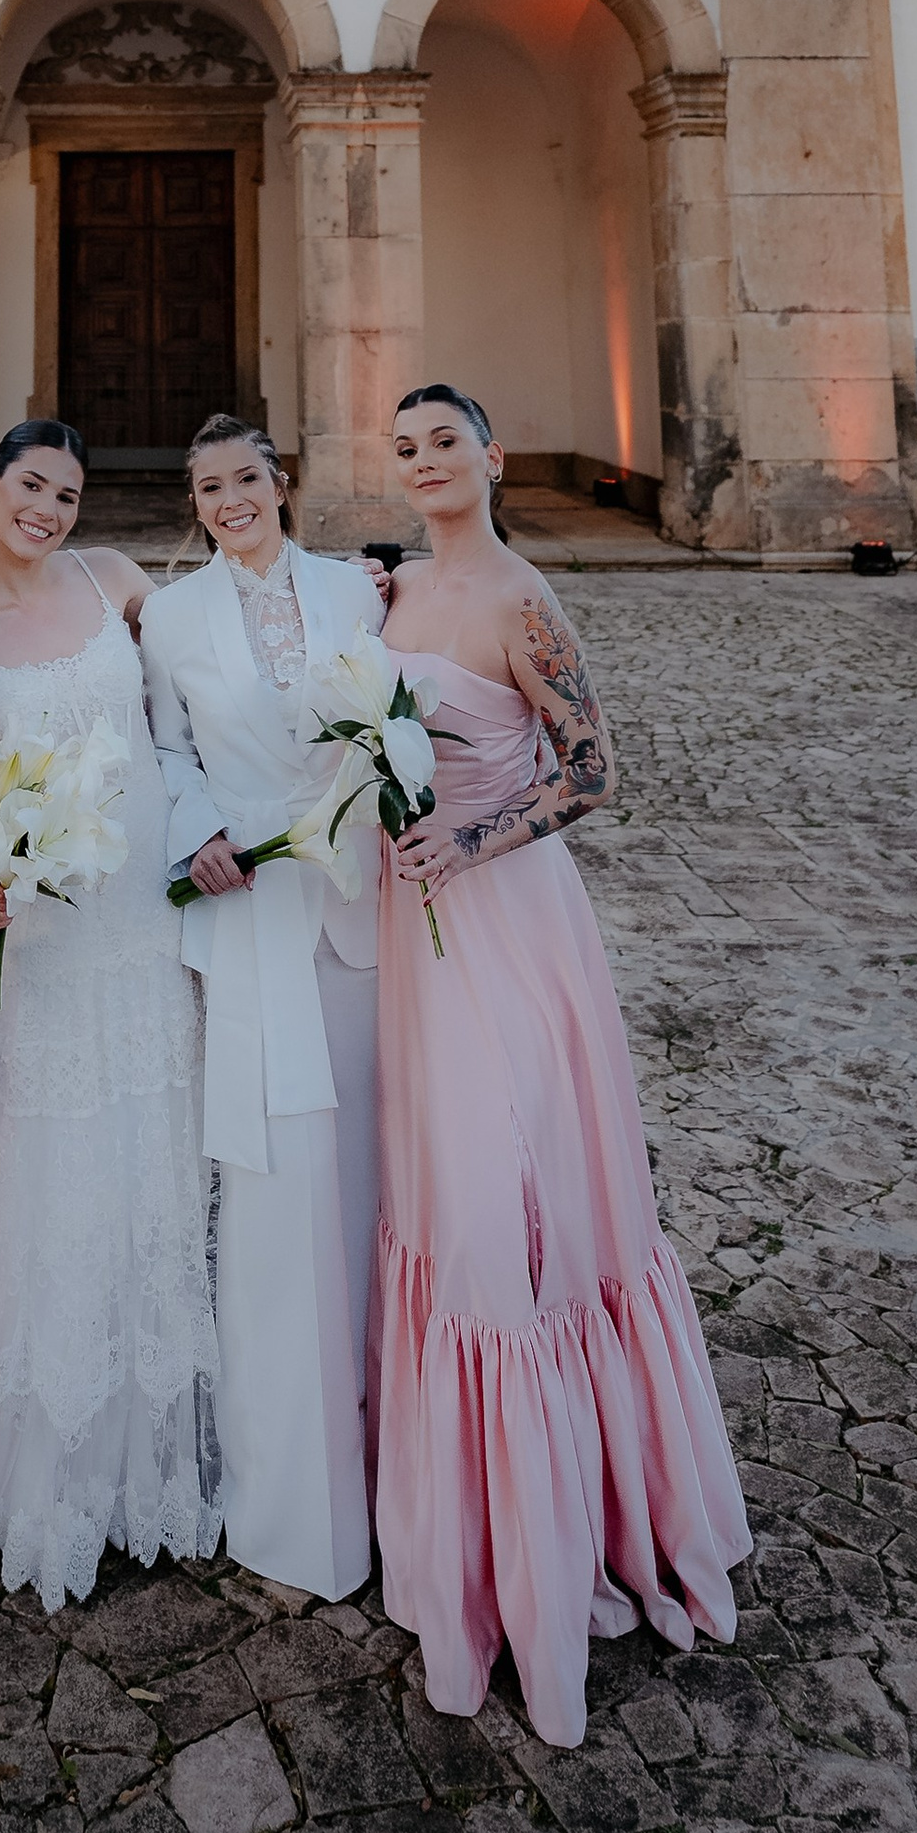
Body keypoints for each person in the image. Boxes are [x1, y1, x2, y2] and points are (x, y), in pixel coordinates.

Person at [370, 382, 750, 1750]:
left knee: (510, 1200)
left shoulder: (523, 601)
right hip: (411, 934)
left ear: (494, 453)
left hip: (509, 922)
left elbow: (593, 768)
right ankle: (456, 1514)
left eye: (446, 442)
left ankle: (561, 1518)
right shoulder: (393, 589)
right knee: (438, 1186)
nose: (425, 463)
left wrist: (469, 844)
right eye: (405, 447)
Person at [0, 418, 219, 1608]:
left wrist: (362, 590)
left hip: (140, 906)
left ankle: (149, 1436)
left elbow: (217, 657)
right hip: (40, 924)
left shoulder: (121, 581)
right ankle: (48, 1449)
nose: (49, 509)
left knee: (147, 1142)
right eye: (31, 486)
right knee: (50, 1152)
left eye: (69, 494)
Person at [141, 414, 385, 1601]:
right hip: (248, 918)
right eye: (207, 487)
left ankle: (402, 1458)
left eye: (246, 478)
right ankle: (290, 1501)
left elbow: (397, 725)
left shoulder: (357, 593)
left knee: (377, 1181)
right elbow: (164, 750)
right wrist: (200, 835)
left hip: (363, 924)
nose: (229, 499)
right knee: (278, 1199)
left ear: (282, 484)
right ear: (193, 505)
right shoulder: (172, 616)